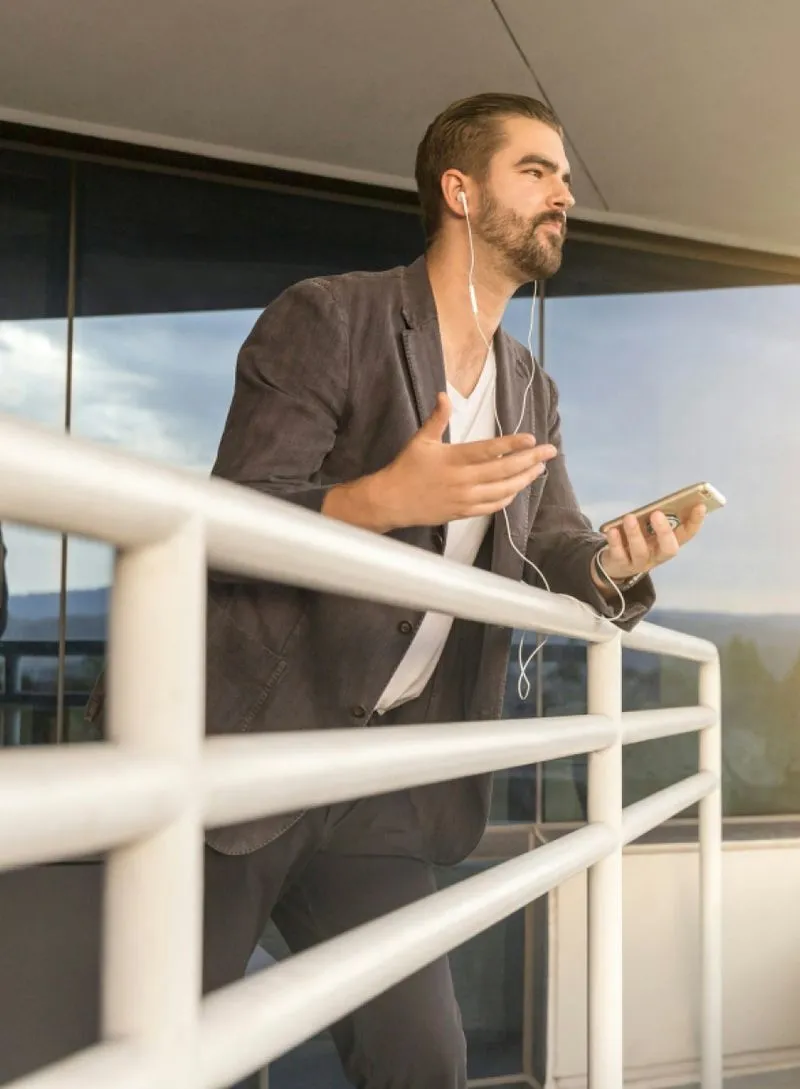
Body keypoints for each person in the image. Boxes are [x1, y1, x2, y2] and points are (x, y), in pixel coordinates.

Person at [88, 93, 706, 1088]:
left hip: (381, 782)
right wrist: (376, 499)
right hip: (242, 754)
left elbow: (548, 539)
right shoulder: (327, 317)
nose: (564, 191)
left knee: (422, 1060)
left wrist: (610, 565)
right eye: (536, 170)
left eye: (562, 175)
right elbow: (229, 517)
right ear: (458, 191)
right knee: (185, 1060)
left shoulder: (527, 383)